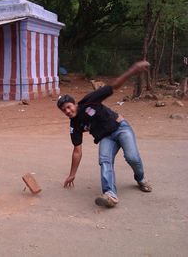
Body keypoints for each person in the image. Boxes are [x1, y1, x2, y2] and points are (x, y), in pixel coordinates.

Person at [57, 61, 152, 208]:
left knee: (132, 157)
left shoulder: (89, 101)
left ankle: (140, 179)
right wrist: (72, 173)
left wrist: (133, 69)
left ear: (74, 104)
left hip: (121, 128)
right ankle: (110, 195)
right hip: (106, 137)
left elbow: (113, 86)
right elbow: (77, 150)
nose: (67, 111)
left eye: (68, 107)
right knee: (104, 160)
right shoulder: (74, 126)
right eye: (64, 110)